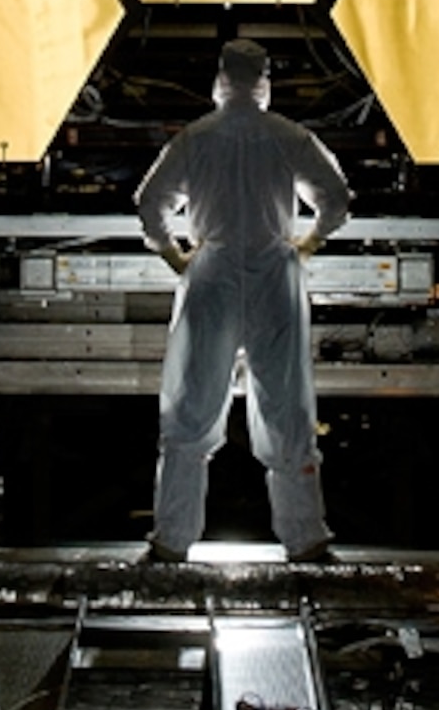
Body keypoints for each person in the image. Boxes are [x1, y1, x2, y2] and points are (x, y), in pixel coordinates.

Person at [136, 39, 352, 561]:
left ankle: (171, 541)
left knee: (191, 408)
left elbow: (149, 204)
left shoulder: (195, 138)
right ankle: (305, 540)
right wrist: (309, 243)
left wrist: (175, 255)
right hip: (274, 273)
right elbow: (336, 198)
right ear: (263, 81)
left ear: (220, 80)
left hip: (210, 273)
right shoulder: (288, 136)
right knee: (286, 408)